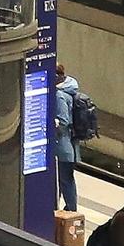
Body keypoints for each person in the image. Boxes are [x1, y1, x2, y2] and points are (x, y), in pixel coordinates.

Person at [52, 62, 81, 213]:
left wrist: (51, 124)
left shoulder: (58, 95)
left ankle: (70, 210)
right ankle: (69, 209)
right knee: (65, 179)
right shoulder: (69, 88)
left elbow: (63, 121)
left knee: (63, 180)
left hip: (62, 148)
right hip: (69, 146)